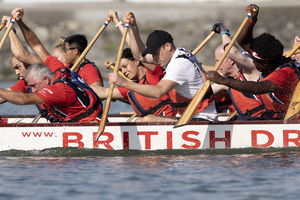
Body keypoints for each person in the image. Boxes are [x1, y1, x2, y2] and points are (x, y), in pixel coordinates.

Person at [109, 12, 218, 122]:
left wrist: (124, 83)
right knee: (144, 120)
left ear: (167, 46)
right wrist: (133, 28)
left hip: (201, 119)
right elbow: (139, 56)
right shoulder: (175, 55)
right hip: (189, 118)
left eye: (156, 53)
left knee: (145, 120)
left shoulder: (179, 64)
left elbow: (158, 91)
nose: (154, 58)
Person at [206, 4, 300, 120]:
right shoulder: (271, 61)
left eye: (255, 61)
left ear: (265, 63)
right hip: (273, 119)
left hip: (285, 122)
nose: (253, 62)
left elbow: (258, 87)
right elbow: (243, 42)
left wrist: (223, 81)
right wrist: (251, 19)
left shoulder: (284, 73)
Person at [12, 8, 104, 99]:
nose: (64, 53)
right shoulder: (61, 68)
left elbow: (99, 93)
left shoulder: (89, 69)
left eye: (65, 50)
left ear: (75, 51)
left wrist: (75, 89)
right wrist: (17, 24)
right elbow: (31, 49)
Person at [0, 63, 102, 123]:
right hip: (66, 121)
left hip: (87, 122)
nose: (17, 72)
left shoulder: (58, 89)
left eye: (18, 67)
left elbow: (23, 99)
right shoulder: (31, 81)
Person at [211, 22, 262, 115]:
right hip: (249, 122)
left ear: (231, 60)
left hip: (267, 120)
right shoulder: (227, 83)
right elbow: (204, 92)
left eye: (218, 61)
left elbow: (232, 52)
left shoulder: (250, 69)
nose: (216, 66)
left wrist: (223, 32)